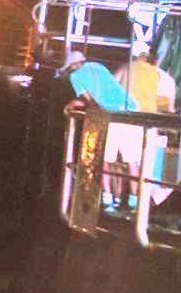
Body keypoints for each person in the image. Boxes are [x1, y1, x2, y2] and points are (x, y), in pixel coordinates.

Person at [61, 50, 142, 209]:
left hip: (111, 114)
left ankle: (108, 199)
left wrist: (73, 104)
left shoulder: (75, 76)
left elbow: (90, 102)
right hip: (132, 110)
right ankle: (134, 202)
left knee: (106, 159)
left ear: (72, 65)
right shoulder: (98, 66)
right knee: (132, 161)